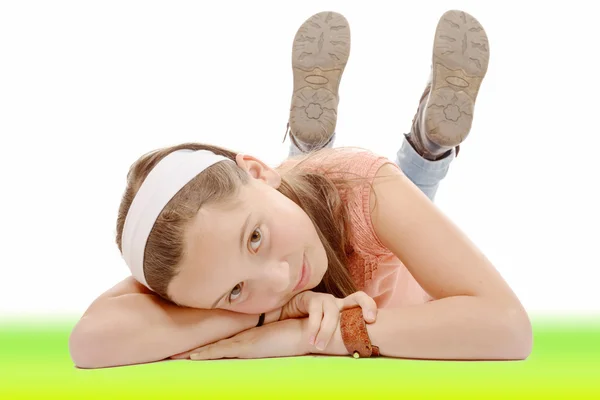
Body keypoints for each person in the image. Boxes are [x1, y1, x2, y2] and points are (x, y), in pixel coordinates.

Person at [69, 10, 532, 368]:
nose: (277, 282)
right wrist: (272, 313)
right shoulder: (197, 258)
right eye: (234, 291)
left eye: (255, 238)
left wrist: (309, 335)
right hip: (295, 193)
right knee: (299, 191)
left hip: (357, 208)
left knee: (390, 191)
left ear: (254, 169)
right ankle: (309, 149)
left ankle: (425, 143)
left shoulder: (366, 186)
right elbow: (89, 341)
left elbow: (508, 329)